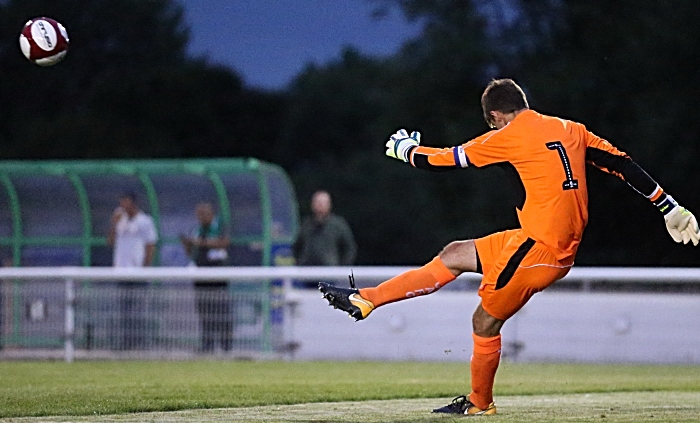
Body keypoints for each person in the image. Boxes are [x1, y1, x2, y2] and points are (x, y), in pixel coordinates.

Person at [319, 79, 699, 416]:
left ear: (496, 115)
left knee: (484, 321)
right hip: (533, 238)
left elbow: (445, 160)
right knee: (454, 253)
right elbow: (622, 164)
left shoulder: (505, 136)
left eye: (492, 122)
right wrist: (669, 206)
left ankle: (480, 403)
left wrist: (406, 150)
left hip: (540, 250)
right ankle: (366, 299)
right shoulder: (570, 129)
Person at [107, 192, 158, 350]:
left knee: (139, 309)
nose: (122, 205)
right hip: (121, 270)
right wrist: (113, 225)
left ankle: (140, 342)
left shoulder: (145, 221)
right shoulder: (119, 222)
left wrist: (145, 269)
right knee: (124, 309)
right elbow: (110, 242)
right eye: (121, 202)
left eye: (125, 202)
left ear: (133, 203)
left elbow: (150, 245)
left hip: (138, 271)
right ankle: (126, 342)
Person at [180, 202, 232, 352]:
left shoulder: (220, 225)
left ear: (211, 213)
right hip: (200, 272)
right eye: (198, 215)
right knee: (204, 309)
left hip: (218, 271)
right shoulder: (196, 230)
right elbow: (191, 253)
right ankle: (207, 344)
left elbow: (224, 243)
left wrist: (201, 243)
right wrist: (187, 245)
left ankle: (226, 344)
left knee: (221, 309)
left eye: (203, 214)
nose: (200, 217)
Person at [293, 190, 357, 288]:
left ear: (329, 205)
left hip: (329, 272)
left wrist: (343, 266)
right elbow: (297, 246)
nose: (320, 205)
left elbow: (349, 247)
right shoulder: (306, 224)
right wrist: (300, 263)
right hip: (307, 272)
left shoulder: (338, 224)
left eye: (323, 203)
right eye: (317, 202)